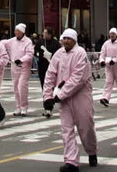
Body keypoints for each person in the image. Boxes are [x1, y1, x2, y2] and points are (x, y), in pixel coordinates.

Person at [42, 29, 97, 172]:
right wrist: (47, 96)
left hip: (81, 96)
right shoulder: (58, 54)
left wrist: (59, 95)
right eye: (64, 38)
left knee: (86, 127)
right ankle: (71, 161)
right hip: (64, 99)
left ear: (74, 40)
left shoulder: (80, 54)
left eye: (69, 39)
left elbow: (78, 79)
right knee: (66, 130)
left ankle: (91, 151)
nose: (66, 41)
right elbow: (50, 74)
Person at [1, 24, 35, 116]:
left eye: (17, 31)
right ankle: (18, 107)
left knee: (22, 87)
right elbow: (3, 43)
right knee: (16, 87)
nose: (15, 32)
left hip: (24, 67)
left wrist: (21, 60)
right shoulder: (12, 41)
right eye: (15, 30)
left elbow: (30, 54)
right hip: (14, 67)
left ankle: (24, 107)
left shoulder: (28, 42)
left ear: (22, 32)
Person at [98, 28, 117, 106]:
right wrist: (101, 61)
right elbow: (102, 53)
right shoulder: (106, 43)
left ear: (116, 35)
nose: (112, 35)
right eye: (111, 34)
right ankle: (105, 98)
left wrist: (115, 60)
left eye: (113, 34)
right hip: (108, 66)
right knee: (108, 81)